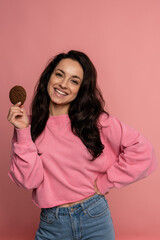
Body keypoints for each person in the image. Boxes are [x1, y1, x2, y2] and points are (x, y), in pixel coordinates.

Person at [7, 50, 157, 240]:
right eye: (59, 74)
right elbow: (28, 180)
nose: (63, 84)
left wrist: (106, 181)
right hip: (52, 223)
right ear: (49, 77)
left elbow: (143, 151)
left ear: (81, 89)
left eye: (74, 81)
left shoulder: (96, 122)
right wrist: (22, 131)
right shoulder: (29, 126)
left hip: (94, 217)